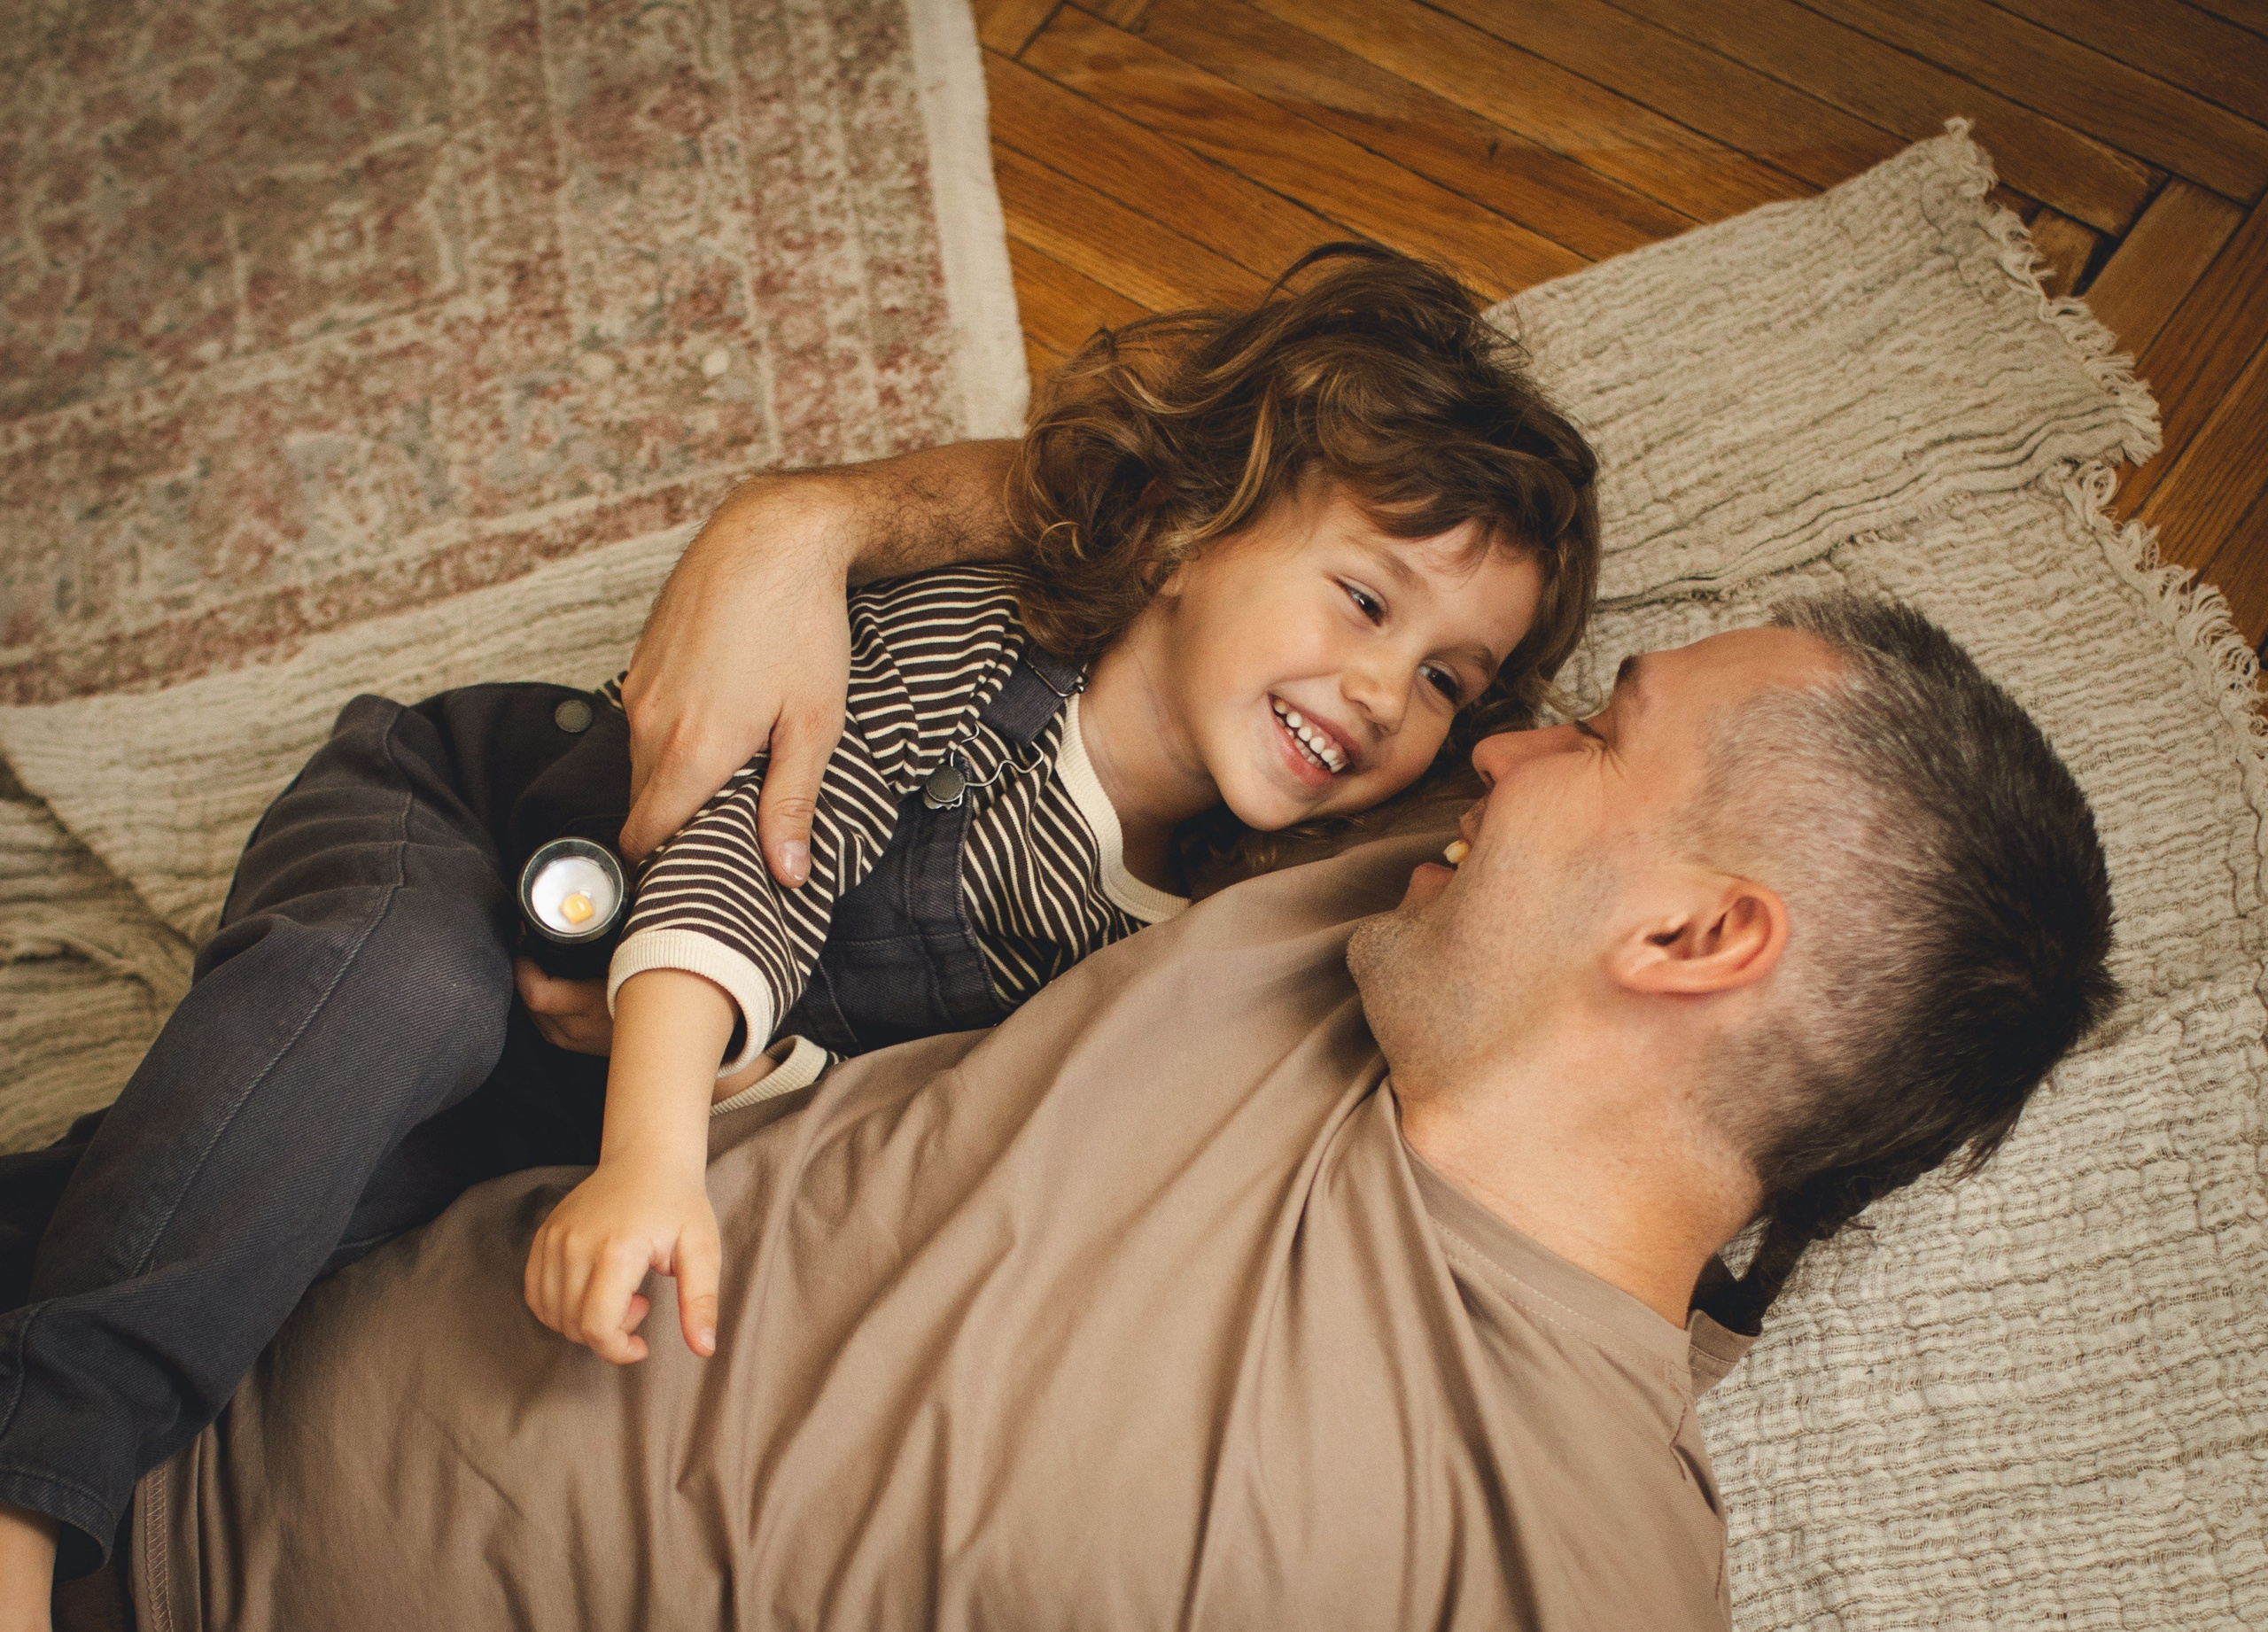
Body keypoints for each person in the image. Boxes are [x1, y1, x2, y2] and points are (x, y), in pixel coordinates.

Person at [0, 247, 1604, 1608]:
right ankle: (28, 1498)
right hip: (481, 844)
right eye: (1370, 602)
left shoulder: (1185, 925)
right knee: (402, 1005)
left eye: (1450, 679)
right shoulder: (977, 654)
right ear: (1186, 534)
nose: (1390, 691)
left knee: (306, 1207)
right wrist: (649, 1154)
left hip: (582, 1079)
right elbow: (743, 870)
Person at [104, 592, 2116, 1631]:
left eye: (1601, 732)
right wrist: (798, 534)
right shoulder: (1368, 902)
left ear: (1689, 934)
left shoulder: (1554, 1572)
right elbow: (1235, 492)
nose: (1499, 746)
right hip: (167, 1343)